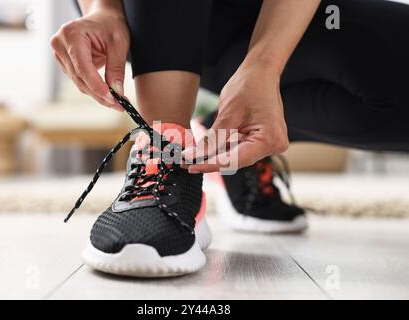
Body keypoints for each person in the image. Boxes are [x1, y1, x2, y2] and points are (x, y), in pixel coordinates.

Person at [50, 0, 409, 277]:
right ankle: (168, 152)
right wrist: (104, 8)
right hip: (167, 22)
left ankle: (228, 133)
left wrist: (265, 64)